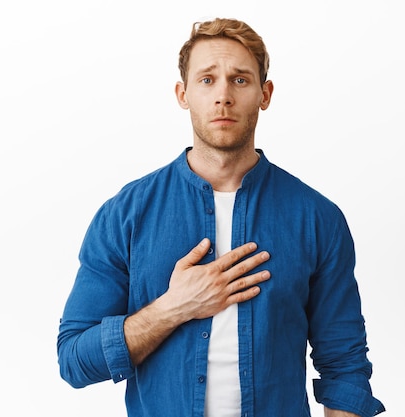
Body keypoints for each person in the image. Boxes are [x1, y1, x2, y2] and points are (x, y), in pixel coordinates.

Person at [57, 17, 385, 417]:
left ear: (265, 94)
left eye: (240, 80)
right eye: (207, 80)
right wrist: (174, 307)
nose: (223, 96)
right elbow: (74, 361)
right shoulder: (126, 215)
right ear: (183, 94)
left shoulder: (317, 218)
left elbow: (344, 369)